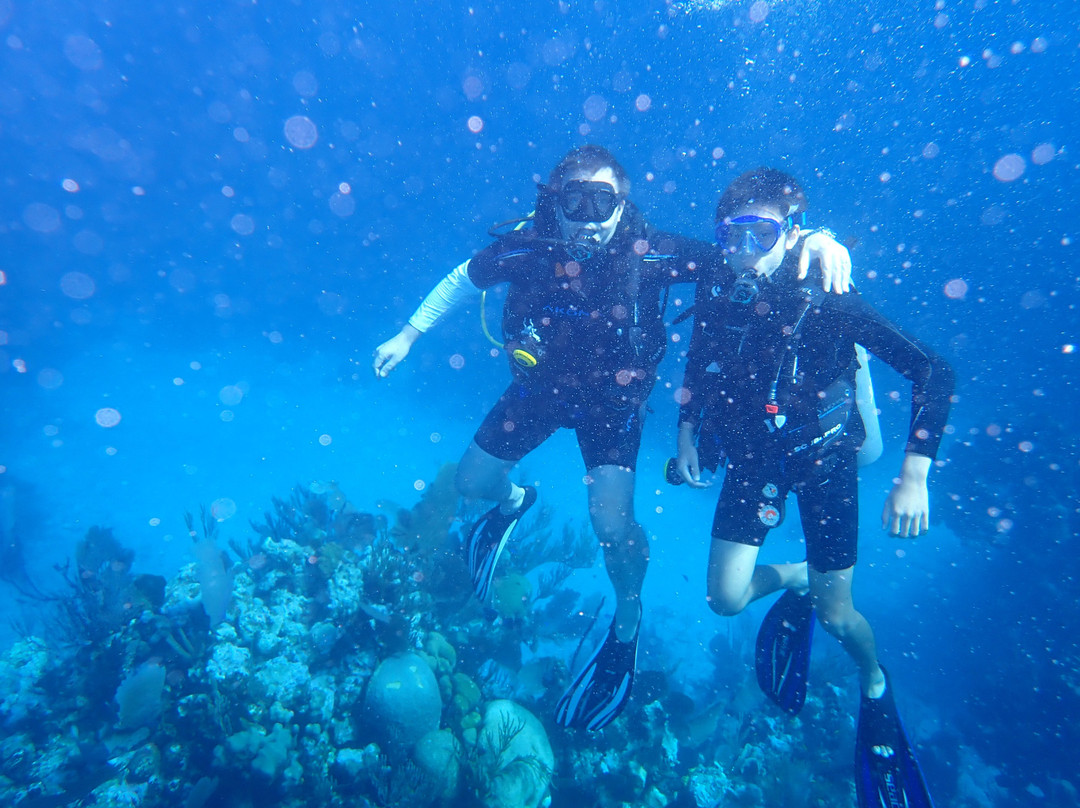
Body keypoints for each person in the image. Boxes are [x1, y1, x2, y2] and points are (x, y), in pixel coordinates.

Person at [372, 146, 852, 731]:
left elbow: (746, 253)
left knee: (610, 526)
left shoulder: (653, 252)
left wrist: (813, 240)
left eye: (603, 201)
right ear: (554, 203)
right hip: (541, 388)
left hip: (613, 405)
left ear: (624, 205)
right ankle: (516, 502)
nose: (588, 216)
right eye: (574, 200)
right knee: (471, 484)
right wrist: (407, 334)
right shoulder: (530, 246)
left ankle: (627, 619)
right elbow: (461, 280)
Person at [672, 167, 952, 806]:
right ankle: (797, 575)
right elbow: (700, 359)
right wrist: (686, 430)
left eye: (760, 234)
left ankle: (875, 682)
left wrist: (914, 476)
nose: (742, 252)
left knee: (838, 617)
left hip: (827, 462)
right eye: (729, 235)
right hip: (755, 459)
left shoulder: (827, 292)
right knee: (724, 599)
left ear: (790, 233)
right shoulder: (721, 284)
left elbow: (933, 369)